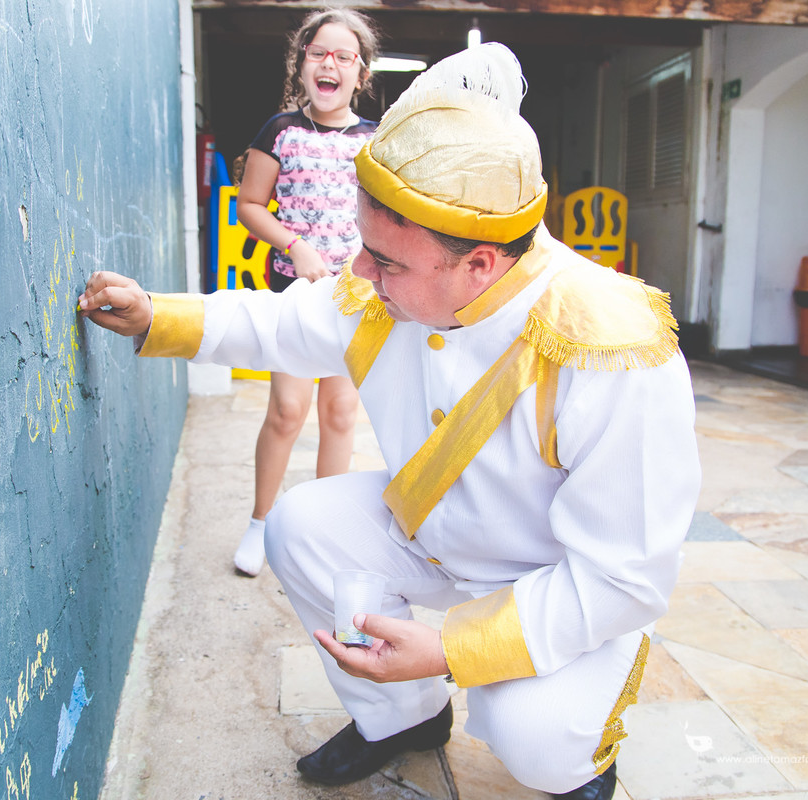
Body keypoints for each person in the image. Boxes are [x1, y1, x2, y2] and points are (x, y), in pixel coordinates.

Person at [79, 44, 700, 800]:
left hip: (552, 583)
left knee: (537, 741)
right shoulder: (389, 279)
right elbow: (284, 323)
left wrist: (450, 648)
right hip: (432, 536)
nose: (361, 273)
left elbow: (623, 578)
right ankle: (404, 719)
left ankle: (584, 757)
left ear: (480, 264)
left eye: (386, 261)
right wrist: (156, 315)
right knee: (300, 525)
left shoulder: (612, 346)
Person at [231, 9, 380, 577]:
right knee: (287, 410)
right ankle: (260, 522)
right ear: (301, 65)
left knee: (340, 412)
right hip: (294, 294)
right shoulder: (280, 130)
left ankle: (324, 539)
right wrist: (294, 245)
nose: (329, 64)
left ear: (360, 73)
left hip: (354, 298)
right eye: (319, 53)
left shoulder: (375, 141)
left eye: (344, 56)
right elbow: (250, 206)